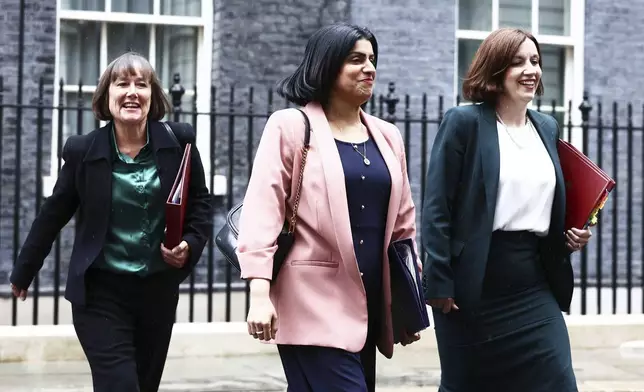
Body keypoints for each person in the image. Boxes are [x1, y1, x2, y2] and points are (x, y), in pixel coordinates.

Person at [9, 51, 212, 392]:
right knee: (120, 385)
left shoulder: (179, 142)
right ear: (107, 96)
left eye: (141, 84)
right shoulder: (83, 151)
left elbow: (201, 206)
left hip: (156, 294)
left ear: (153, 96)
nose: (132, 91)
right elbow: (53, 214)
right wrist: (24, 270)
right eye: (122, 83)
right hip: (100, 294)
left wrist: (189, 246)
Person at [236, 23, 420, 392]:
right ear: (327, 64)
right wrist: (259, 294)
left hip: (368, 307)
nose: (369, 68)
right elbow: (262, 213)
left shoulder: (387, 135)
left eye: (372, 59)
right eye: (356, 59)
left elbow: (403, 228)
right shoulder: (290, 126)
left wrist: (406, 303)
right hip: (311, 303)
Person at [421, 28, 593, 392]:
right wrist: (438, 282)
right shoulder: (463, 123)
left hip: (532, 283)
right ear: (496, 69)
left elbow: (546, 204)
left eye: (535, 61)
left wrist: (570, 235)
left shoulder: (546, 127)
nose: (530, 70)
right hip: (472, 288)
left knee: (558, 382)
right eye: (518, 62)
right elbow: (437, 208)